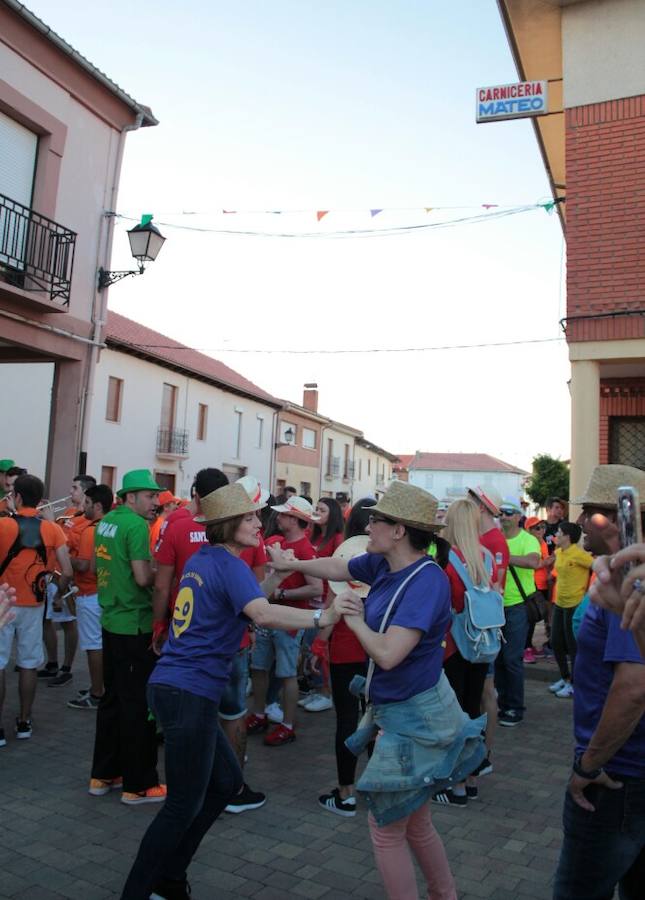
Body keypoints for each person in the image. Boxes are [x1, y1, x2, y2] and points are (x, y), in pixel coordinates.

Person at [120, 483, 343, 900]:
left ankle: (169, 879)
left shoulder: (210, 559)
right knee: (181, 805)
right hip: (187, 691)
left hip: (180, 688)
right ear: (225, 525)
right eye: (249, 518)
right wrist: (322, 616)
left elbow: (245, 601)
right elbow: (259, 612)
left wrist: (275, 573)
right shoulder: (229, 564)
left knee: (224, 783)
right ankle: (139, 891)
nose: (258, 523)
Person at [268, 481, 485, 900]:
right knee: (415, 820)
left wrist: (354, 620)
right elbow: (338, 568)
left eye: (376, 521)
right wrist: (293, 560)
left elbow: (388, 654)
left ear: (399, 530)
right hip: (403, 712)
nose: (368, 527)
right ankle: (445, 895)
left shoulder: (426, 580)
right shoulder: (384, 564)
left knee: (385, 826)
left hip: (415, 719)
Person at [552, 464, 645, 900]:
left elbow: (633, 688)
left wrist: (588, 767)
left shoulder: (632, 582)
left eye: (587, 511)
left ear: (605, 518)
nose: (581, 522)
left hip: (615, 779)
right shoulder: (618, 574)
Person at [90, 469, 166, 805]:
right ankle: (140, 785)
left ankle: (103, 775)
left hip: (110, 620)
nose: (155, 501)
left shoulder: (106, 522)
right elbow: (140, 577)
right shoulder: (136, 525)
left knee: (112, 699)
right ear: (130, 497)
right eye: (149, 496)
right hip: (135, 625)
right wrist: (163, 575)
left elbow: (96, 567)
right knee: (138, 706)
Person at [432, 497, 498, 807]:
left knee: (454, 714)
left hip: (453, 646)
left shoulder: (446, 560)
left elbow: (440, 607)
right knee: (474, 709)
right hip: (481, 644)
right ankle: (471, 779)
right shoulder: (486, 558)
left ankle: (456, 785)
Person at [0, 475, 73, 745]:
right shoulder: (52, 529)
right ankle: (24, 721)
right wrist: (57, 594)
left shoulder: (3, 525)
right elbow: (66, 570)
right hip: (35, 603)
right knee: (29, 664)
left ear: (17, 497)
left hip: (3, 601)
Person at [246, 495, 323, 746]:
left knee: (288, 673)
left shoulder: (306, 551)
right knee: (258, 667)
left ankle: (287, 725)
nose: (277, 518)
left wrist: (281, 593)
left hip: (289, 623)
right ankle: (259, 713)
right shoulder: (274, 541)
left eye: (283, 514)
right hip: (268, 617)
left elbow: (316, 589)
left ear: (296, 520)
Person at [316, 498, 374, 816]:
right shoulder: (388, 561)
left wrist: (318, 644)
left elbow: (331, 605)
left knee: (348, 720)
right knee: (377, 719)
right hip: (377, 648)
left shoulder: (344, 558)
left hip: (345, 648)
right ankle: (379, 788)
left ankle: (345, 793)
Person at [40, 474, 96, 686]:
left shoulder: (87, 521)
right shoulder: (70, 513)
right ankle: (52, 663)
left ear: (85, 493)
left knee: (68, 622)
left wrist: (51, 524)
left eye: (75, 488)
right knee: (48, 621)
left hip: (68, 579)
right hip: (52, 574)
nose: (70, 492)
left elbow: (71, 550)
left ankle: (66, 667)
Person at [67, 484, 114, 709]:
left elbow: (85, 565)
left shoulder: (90, 530)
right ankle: (102, 688)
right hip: (105, 593)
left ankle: (97, 693)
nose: (83, 507)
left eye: (87, 503)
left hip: (89, 594)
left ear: (97, 505)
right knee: (101, 644)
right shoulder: (112, 526)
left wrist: (66, 558)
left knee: (93, 646)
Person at [495, 498, 541, 726]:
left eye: (509, 513)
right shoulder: (495, 538)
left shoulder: (528, 539)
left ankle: (515, 707)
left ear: (518, 517)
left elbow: (534, 562)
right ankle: (502, 704)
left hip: (517, 607)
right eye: (501, 512)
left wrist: (503, 556)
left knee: (512, 658)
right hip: (495, 607)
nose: (504, 516)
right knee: (497, 659)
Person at [302, 497, 345, 713]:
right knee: (311, 646)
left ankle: (326, 693)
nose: (317, 512)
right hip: (312, 600)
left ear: (333, 514)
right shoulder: (313, 534)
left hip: (328, 597)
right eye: (316, 508)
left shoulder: (338, 538)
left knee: (322, 645)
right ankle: (316, 689)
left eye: (322, 509)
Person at [549, 522, 593, 699]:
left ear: (567, 536)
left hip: (575, 604)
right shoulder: (559, 552)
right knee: (556, 642)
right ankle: (565, 677)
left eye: (559, 533)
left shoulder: (579, 554)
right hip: (559, 603)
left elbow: (596, 566)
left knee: (573, 646)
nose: (556, 536)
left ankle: (575, 683)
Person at [523, 517, 553, 663]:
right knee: (530, 618)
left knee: (537, 617)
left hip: (542, 584)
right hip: (532, 584)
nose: (541, 530)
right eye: (537, 528)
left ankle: (530, 645)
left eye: (542, 527)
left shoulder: (541, 543)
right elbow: (532, 564)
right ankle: (526, 648)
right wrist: (546, 562)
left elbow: (545, 560)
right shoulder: (530, 543)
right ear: (529, 530)